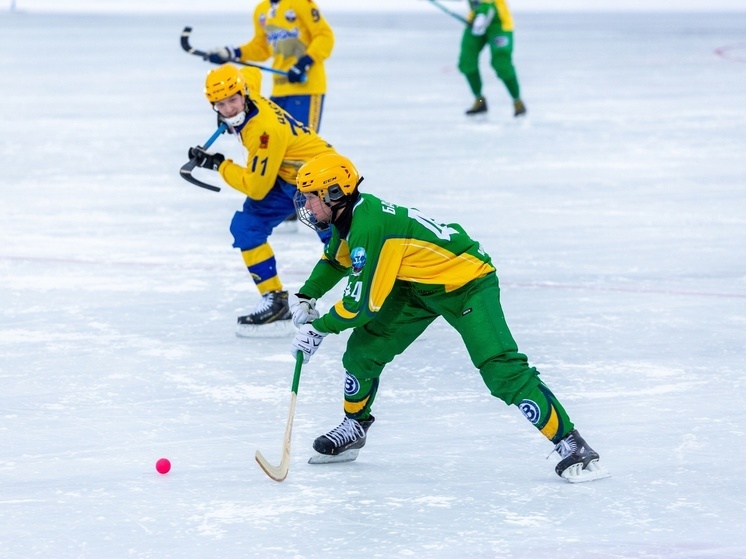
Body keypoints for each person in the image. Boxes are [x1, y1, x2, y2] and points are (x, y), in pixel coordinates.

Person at [286, 153, 609, 483]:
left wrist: (319, 328)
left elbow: (360, 307)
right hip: (417, 285)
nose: (307, 206)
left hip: (467, 283)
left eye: (312, 197)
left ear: (336, 194)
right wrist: (306, 295)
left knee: (501, 369)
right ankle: (355, 425)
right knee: (363, 350)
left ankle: (571, 443)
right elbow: (336, 261)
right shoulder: (351, 218)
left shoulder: (368, 225)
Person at [188, 63, 339, 337]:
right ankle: (275, 301)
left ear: (243, 93)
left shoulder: (263, 131)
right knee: (247, 226)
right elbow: (252, 72)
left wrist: (218, 165)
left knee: (341, 242)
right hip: (287, 177)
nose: (229, 109)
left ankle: (381, 292)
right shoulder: (248, 89)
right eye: (220, 104)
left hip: (320, 179)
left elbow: (256, 187)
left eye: (232, 100)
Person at [205, 0, 335, 230]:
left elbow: (325, 36)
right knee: (274, 147)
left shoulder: (301, 4)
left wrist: (305, 62)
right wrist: (232, 52)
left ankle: (322, 207)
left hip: (308, 87)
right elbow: (261, 47)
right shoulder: (262, 10)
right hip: (280, 88)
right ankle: (287, 204)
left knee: (302, 148)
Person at [459, 0, 526, 117]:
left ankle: (517, 101)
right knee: (467, 61)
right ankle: (479, 101)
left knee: (501, 63)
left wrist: (483, 15)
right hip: (475, 19)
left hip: (498, 21)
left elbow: (489, 5)